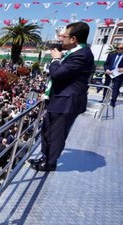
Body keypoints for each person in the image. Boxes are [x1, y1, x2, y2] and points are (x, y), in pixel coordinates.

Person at [31, 22, 94, 171]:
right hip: (58, 100)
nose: (61, 39)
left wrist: (56, 59)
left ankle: (49, 163)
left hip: (66, 102)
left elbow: (57, 74)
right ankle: (45, 157)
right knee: (47, 130)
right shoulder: (75, 51)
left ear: (73, 39)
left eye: (64, 36)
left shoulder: (82, 55)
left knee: (56, 134)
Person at [104, 43, 123, 107]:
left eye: (121, 48)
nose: (119, 49)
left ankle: (112, 102)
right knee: (106, 87)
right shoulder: (111, 55)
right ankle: (103, 99)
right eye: (118, 48)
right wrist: (107, 70)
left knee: (115, 89)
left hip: (119, 75)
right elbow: (106, 64)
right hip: (109, 73)